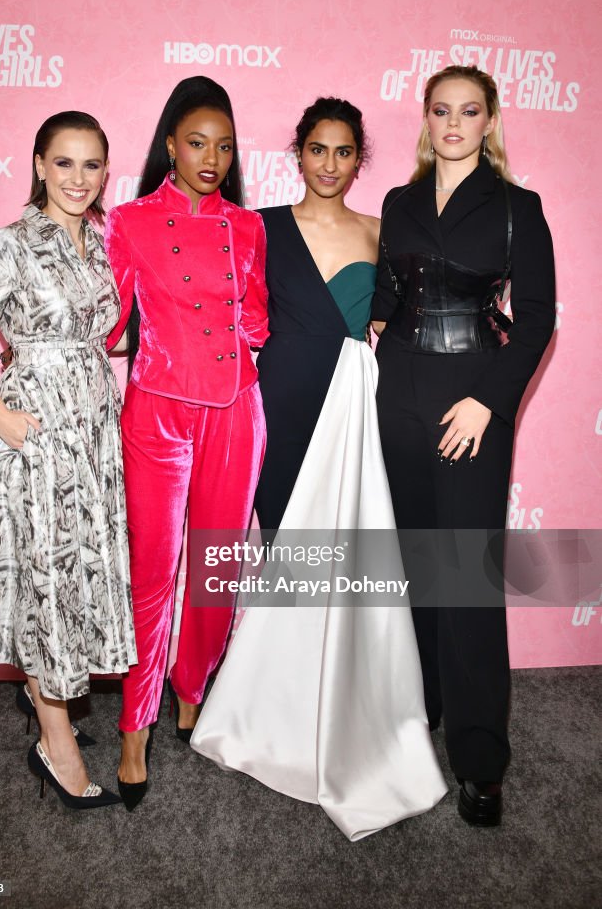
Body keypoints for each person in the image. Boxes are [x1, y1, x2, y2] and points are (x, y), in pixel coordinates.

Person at [191, 98, 447, 841]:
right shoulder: (259, 227)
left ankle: (342, 707)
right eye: (316, 150)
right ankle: (282, 709)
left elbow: (403, 321)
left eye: (342, 152)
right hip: (277, 406)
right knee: (287, 563)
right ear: (296, 154)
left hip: (352, 415)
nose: (328, 164)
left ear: (357, 158)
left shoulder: (379, 231)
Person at [0, 111, 136, 809]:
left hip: (92, 433)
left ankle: (43, 690)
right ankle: (58, 742)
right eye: (64, 163)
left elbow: (102, 335)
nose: (77, 178)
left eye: (91, 165)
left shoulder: (106, 246)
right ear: (40, 165)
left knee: (68, 568)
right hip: (36, 433)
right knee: (45, 571)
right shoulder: (10, 243)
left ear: (104, 172)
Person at [372, 65, 556, 826]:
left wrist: (488, 400)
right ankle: (422, 715)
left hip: (475, 398)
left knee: (467, 579)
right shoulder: (398, 200)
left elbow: (538, 317)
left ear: (488, 120)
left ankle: (480, 759)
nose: (453, 123)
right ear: (426, 118)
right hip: (399, 393)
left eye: (468, 111)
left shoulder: (517, 207)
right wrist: (377, 323)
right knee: (415, 564)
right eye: (441, 110)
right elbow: (389, 292)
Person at [105, 76, 268, 810]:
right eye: (197, 142)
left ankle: (192, 684)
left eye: (224, 146)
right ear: (170, 144)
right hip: (159, 412)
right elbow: (108, 323)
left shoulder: (249, 225)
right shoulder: (131, 221)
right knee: (153, 573)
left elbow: (256, 318)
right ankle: (134, 725)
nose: (211, 157)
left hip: (234, 409)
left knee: (216, 565)